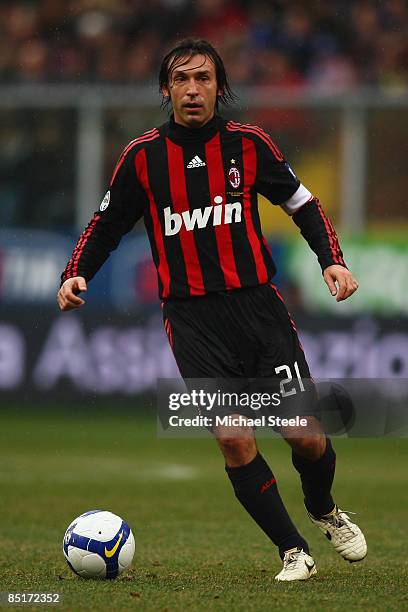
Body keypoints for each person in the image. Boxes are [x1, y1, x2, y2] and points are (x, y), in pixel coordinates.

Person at [57, 38, 367, 581]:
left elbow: (301, 202)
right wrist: (76, 271)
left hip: (258, 310)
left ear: (220, 88)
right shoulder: (143, 156)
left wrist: (331, 261)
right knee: (232, 436)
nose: (193, 89)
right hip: (193, 320)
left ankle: (325, 511)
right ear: (165, 89)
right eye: (181, 79)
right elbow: (106, 224)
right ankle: (294, 550)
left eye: (203, 78)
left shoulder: (248, 144)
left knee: (306, 435)